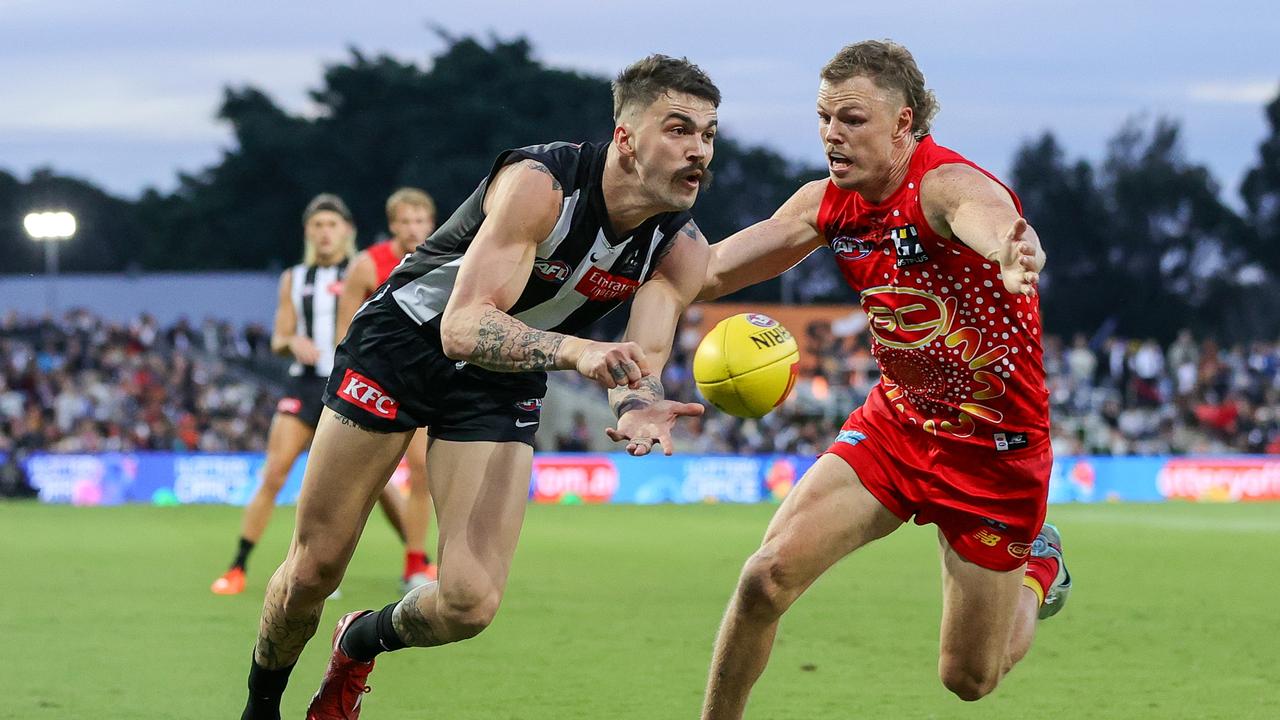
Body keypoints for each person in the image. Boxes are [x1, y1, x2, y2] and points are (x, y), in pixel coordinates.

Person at [239, 54, 719, 720]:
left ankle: (359, 640)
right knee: (314, 571)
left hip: (507, 371)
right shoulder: (540, 185)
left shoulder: (681, 249)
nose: (700, 150)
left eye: (709, 134)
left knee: (470, 603)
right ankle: (261, 707)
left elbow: (639, 361)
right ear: (628, 140)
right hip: (403, 343)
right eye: (680, 130)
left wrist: (638, 407)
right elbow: (462, 327)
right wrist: (580, 352)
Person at [696, 40, 1070, 717]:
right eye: (822, 117)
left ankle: (1040, 568)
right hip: (897, 427)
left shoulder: (944, 185)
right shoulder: (827, 203)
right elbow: (710, 271)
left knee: (968, 678)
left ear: (904, 125)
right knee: (764, 579)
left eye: (852, 119)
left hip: (994, 455)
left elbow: (987, 217)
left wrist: (1014, 250)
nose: (831, 134)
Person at [211, 194, 409, 596]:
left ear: (347, 231)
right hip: (304, 386)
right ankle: (238, 566)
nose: (324, 233)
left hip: (353, 384)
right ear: (307, 232)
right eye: (317, 225)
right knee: (275, 473)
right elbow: (279, 335)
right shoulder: (294, 278)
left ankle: (418, 559)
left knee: (378, 482)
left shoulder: (365, 270)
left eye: (332, 225)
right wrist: (292, 342)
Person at [337, 187, 440, 591]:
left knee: (421, 473)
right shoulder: (367, 265)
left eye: (420, 220)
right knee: (356, 480)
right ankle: (328, 565)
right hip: (373, 382)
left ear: (431, 223)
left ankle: (415, 565)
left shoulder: (447, 258)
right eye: (406, 221)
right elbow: (345, 331)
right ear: (392, 224)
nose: (414, 227)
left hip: (423, 382)